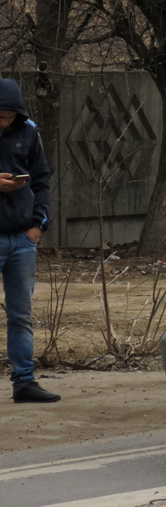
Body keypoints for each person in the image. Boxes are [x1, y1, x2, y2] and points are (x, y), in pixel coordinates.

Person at [0, 78, 58, 403]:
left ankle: (24, 381)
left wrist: (38, 226)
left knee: (21, 315)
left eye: (9, 116)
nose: (5, 122)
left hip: (23, 239)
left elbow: (42, 179)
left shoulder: (28, 131)